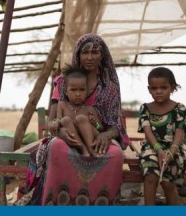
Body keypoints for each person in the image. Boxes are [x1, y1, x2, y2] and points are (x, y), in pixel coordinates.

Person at [15, 33, 130, 205]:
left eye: (95, 52)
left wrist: (105, 136)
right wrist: (60, 130)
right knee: (57, 147)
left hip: (97, 137)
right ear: (78, 54)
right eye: (85, 52)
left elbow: (114, 126)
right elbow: (52, 120)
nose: (90, 57)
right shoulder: (63, 82)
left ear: (103, 55)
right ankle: (55, 202)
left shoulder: (109, 88)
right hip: (67, 135)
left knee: (115, 154)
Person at [138, 67, 186, 205]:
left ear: (172, 88)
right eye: (154, 88)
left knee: (167, 182)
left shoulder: (179, 108)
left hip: (174, 148)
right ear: (149, 89)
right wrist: (158, 149)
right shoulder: (145, 108)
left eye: (164, 87)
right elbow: (147, 131)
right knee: (150, 177)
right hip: (151, 147)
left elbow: (179, 132)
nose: (158, 91)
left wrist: (171, 153)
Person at [51, 66, 103, 157]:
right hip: (72, 138)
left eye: (82, 90)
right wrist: (56, 123)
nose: (78, 94)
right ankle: (83, 149)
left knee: (81, 118)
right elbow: (58, 121)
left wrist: (95, 123)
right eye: (73, 90)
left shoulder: (89, 109)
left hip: (89, 139)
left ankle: (90, 149)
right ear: (66, 92)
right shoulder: (62, 105)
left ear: (86, 91)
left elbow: (100, 129)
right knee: (65, 120)